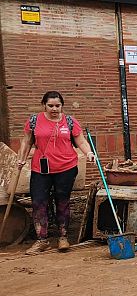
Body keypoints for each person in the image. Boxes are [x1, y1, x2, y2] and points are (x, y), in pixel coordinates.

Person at [17, 91, 95, 254]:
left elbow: (80, 140)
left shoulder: (70, 121)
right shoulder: (34, 121)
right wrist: (21, 157)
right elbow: (26, 141)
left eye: (57, 106)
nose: (54, 109)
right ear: (44, 105)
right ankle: (42, 240)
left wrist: (88, 153)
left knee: (63, 201)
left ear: (62, 106)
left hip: (66, 167)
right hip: (40, 168)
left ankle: (63, 237)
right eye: (50, 105)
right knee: (39, 202)